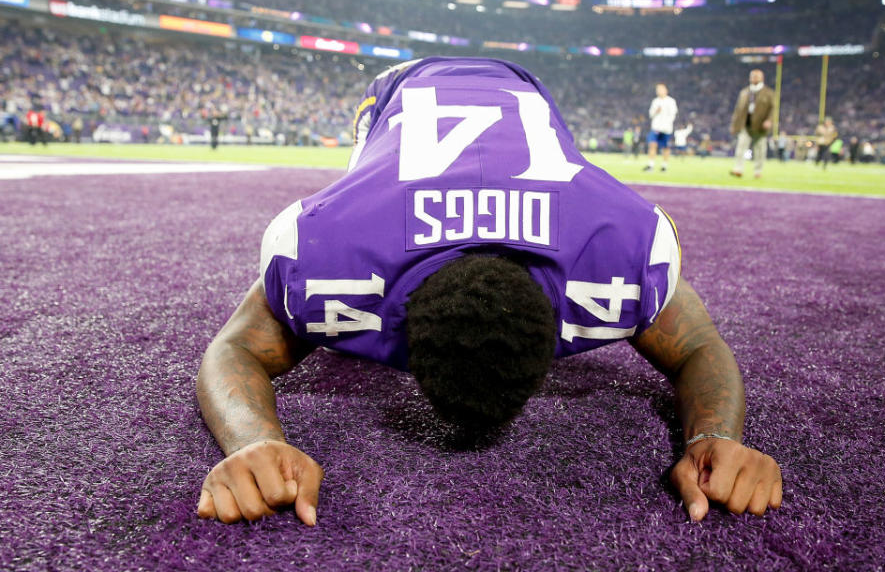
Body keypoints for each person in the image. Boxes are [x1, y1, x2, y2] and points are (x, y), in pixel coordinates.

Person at [195, 57, 783, 527]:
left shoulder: (331, 252)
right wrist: (714, 437)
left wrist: (254, 441)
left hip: (519, 90)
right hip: (401, 90)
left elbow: (235, 348)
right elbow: (697, 342)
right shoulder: (613, 251)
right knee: (368, 168)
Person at [729, 70, 774, 179]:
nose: (754, 78)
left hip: (760, 125)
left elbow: (773, 109)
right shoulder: (744, 92)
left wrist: (769, 120)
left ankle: (758, 171)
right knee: (740, 147)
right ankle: (738, 169)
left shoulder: (768, 93)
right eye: (752, 76)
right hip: (745, 124)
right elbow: (738, 110)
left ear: (762, 78)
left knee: (760, 150)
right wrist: (734, 125)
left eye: (756, 76)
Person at [645, 83, 678, 172]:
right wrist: (656, 111)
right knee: (652, 145)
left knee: (665, 147)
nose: (658, 91)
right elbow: (650, 114)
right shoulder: (655, 101)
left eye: (660, 89)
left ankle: (664, 166)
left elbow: (673, 114)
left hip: (666, 129)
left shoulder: (671, 101)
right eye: (657, 89)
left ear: (665, 90)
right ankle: (650, 165)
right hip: (656, 127)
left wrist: (667, 124)